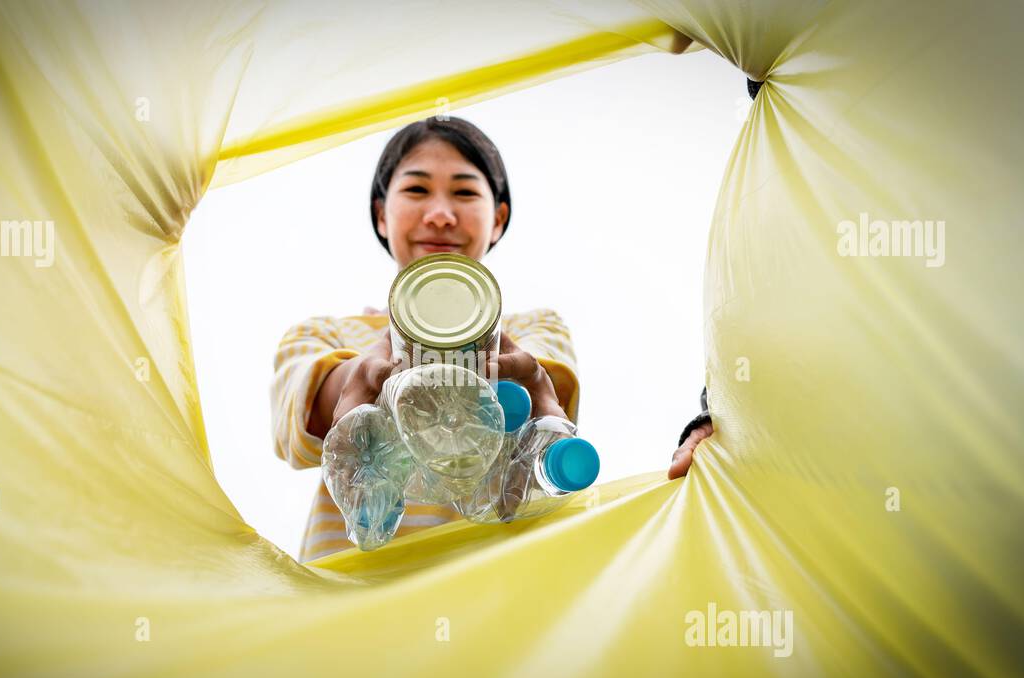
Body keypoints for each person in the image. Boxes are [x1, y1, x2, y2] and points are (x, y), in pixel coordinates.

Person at [270, 117, 710, 562]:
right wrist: (366, 376)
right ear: (381, 214)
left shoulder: (538, 328)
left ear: (497, 219)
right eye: (417, 191)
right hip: (351, 603)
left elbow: (546, 407)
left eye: (464, 192)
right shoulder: (322, 334)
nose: (440, 215)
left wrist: (524, 387)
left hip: (493, 597)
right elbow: (303, 420)